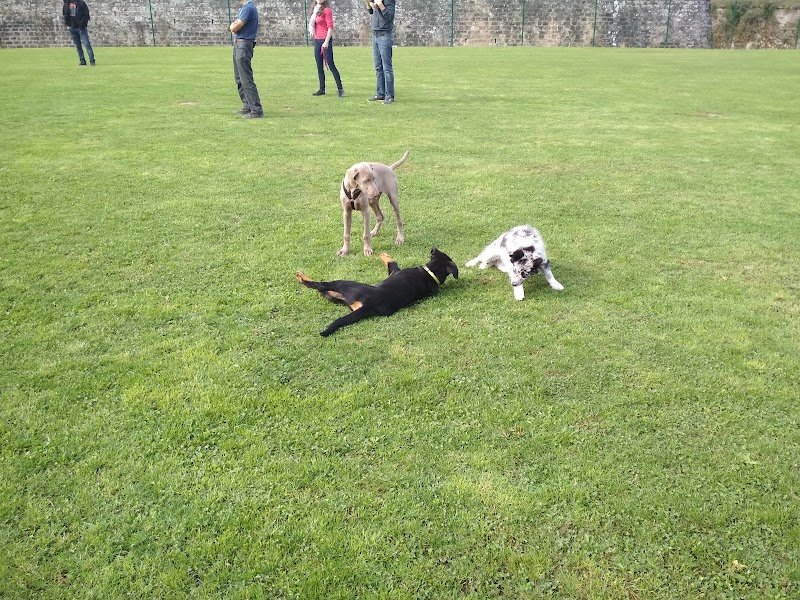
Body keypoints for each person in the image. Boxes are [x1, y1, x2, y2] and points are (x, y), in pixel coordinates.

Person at [230, 0, 263, 119]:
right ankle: (247, 106)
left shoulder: (248, 8)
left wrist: (233, 26)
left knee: (246, 79)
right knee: (239, 78)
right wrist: (234, 26)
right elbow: (235, 25)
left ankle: (256, 110)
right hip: (239, 44)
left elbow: (235, 27)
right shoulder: (245, 8)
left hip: (243, 45)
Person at [308, 0, 345, 98]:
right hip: (317, 40)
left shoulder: (327, 10)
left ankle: (340, 89)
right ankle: (322, 89)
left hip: (325, 40)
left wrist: (326, 42)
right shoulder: (315, 10)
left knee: (331, 65)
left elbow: (330, 27)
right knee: (319, 66)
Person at [365, 0, 395, 104]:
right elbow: (371, 12)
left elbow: (390, 16)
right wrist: (367, 2)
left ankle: (389, 96)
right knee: (378, 67)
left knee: (387, 68)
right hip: (375, 35)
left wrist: (380, 4)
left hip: (385, 35)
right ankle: (380, 94)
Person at [63, 0, 95, 66]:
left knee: (86, 44)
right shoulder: (66, 4)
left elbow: (86, 15)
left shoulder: (81, 3)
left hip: (81, 28)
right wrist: (68, 25)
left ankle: (92, 61)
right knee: (78, 46)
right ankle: (82, 61)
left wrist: (82, 24)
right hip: (72, 28)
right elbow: (65, 14)